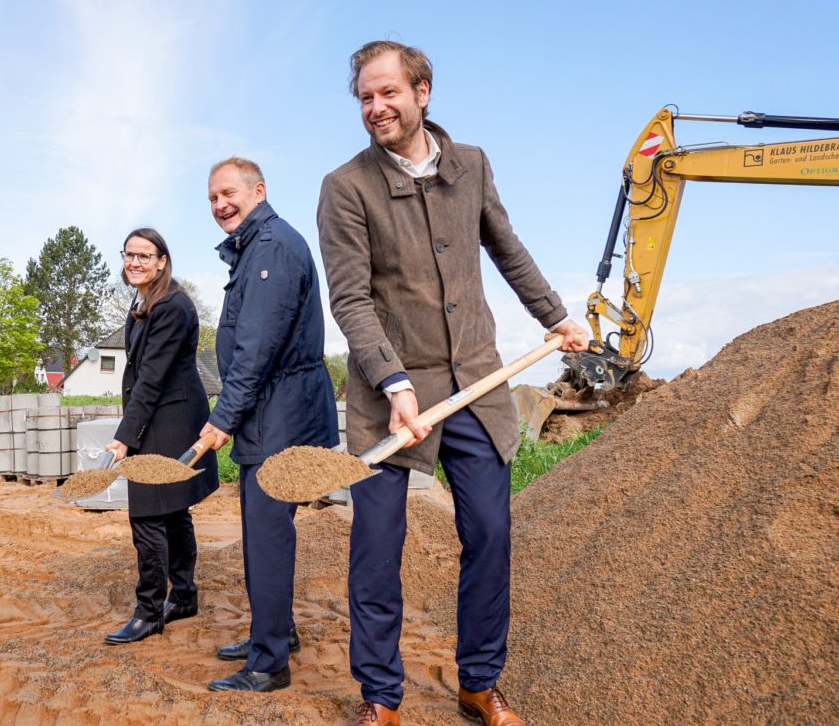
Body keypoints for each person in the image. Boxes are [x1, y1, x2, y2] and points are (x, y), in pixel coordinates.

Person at [316, 41, 590, 726]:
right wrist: (393, 382)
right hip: (390, 399)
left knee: (491, 534)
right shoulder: (345, 187)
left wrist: (556, 315)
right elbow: (350, 300)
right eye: (365, 98)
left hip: (477, 380)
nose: (376, 107)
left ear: (423, 91)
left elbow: (506, 246)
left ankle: (478, 682)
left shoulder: (471, 165)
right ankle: (380, 697)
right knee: (376, 552)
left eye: (388, 93)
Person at [199, 157, 338, 693]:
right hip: (274, 412)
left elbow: (256, 350)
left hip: (280, 417)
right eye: (212, 199)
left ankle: (268, 664)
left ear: (259, 190)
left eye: (228, 194)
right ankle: (275, 632)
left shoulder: (272, 248)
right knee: (267, 535)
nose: (219, 206)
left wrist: (222, 419)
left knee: (267, 538)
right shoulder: (257, 248)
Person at [102, 228, 219, 646]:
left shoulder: (173, 306)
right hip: (161, 415)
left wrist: (124, 438)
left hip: (171, 419)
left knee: (149, 515)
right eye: (129, 255)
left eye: (145, 256)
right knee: (172, 512)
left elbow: (150, 378)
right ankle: (184, 596)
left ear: (162, 261)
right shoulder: (146, 299)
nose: (135, 262)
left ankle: (149, 611)